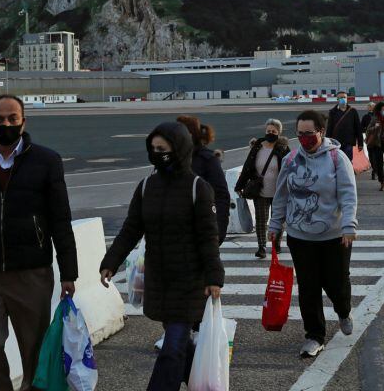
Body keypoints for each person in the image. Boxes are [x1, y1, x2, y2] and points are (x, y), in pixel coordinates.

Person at [0, 95, 78, 391]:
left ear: (24, 122)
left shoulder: (47, 161)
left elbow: (61, 220)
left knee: (33, 353)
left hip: (32, 274)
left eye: (13, 118)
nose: (6, 124)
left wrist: (69, 273)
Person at [100, 122, 225, 391]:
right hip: (159, 279)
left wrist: (214, 276)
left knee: (171, 348)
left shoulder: (198, 188)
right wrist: (111, 261)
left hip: (190, 281)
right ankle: (203, 383)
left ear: (179, 150)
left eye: (163, 149)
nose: (158, 154)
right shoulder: (146, 187)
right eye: (154, 149)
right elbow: (131, 228)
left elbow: (208, 237)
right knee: (180, 345)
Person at [268, 109, 358, 359]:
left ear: (321, 132)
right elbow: (282, 195)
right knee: (308, 287)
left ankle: (343, 310)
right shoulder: (291, 160)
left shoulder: (337, 158)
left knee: (337, 283)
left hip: (334, 235)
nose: (304, 139)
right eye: (300, 134)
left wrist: (349, 224)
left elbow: (348, 195)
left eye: (309, 134)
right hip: (300, 236)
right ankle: (314, 335)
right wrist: (275, 225)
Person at [235, 119, 289, 258]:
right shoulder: (258, 147)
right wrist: (239, 185)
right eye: (268, 131)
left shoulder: (282, 148)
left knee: (278, 219)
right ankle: (262, 247)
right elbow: (247, 167)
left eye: (274, 131)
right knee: (261, 219)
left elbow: (290, 168)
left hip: (278, 191)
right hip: (260, 190)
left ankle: (276, 243)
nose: (270, 133)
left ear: (279, 132)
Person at [176, 115, 230, 243]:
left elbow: (221, 196)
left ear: (190, 134)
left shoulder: (208, 160)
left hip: (200, 230)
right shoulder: (173, 159)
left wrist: (219, 232)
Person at [326, 93, 364, 162]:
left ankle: (349, 172)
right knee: (338, 161)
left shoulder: (353, 111)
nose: (343, 99)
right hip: (336, 142)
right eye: (340, 97)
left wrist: (360, 143)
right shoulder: (332, 112)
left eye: (344, 97)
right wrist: (327, 142)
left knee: (348, 161)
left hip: (349, 141)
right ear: (337, 99)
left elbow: (358, 127)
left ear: (347, 98)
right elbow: (329, 128)